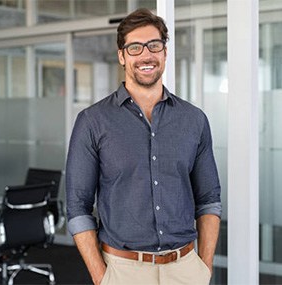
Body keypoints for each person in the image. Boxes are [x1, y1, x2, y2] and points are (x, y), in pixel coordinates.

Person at [66, 8, 221, 285]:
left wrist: (204, 268)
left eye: (154, 45)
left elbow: (209, 199)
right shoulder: (92, 121)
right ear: (122, 56)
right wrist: (101, 277)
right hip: (122, 271)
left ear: (164, 52)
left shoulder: (194, 119)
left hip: (185, 269)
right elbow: (78, 208)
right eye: (135, 47)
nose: (146, 55)